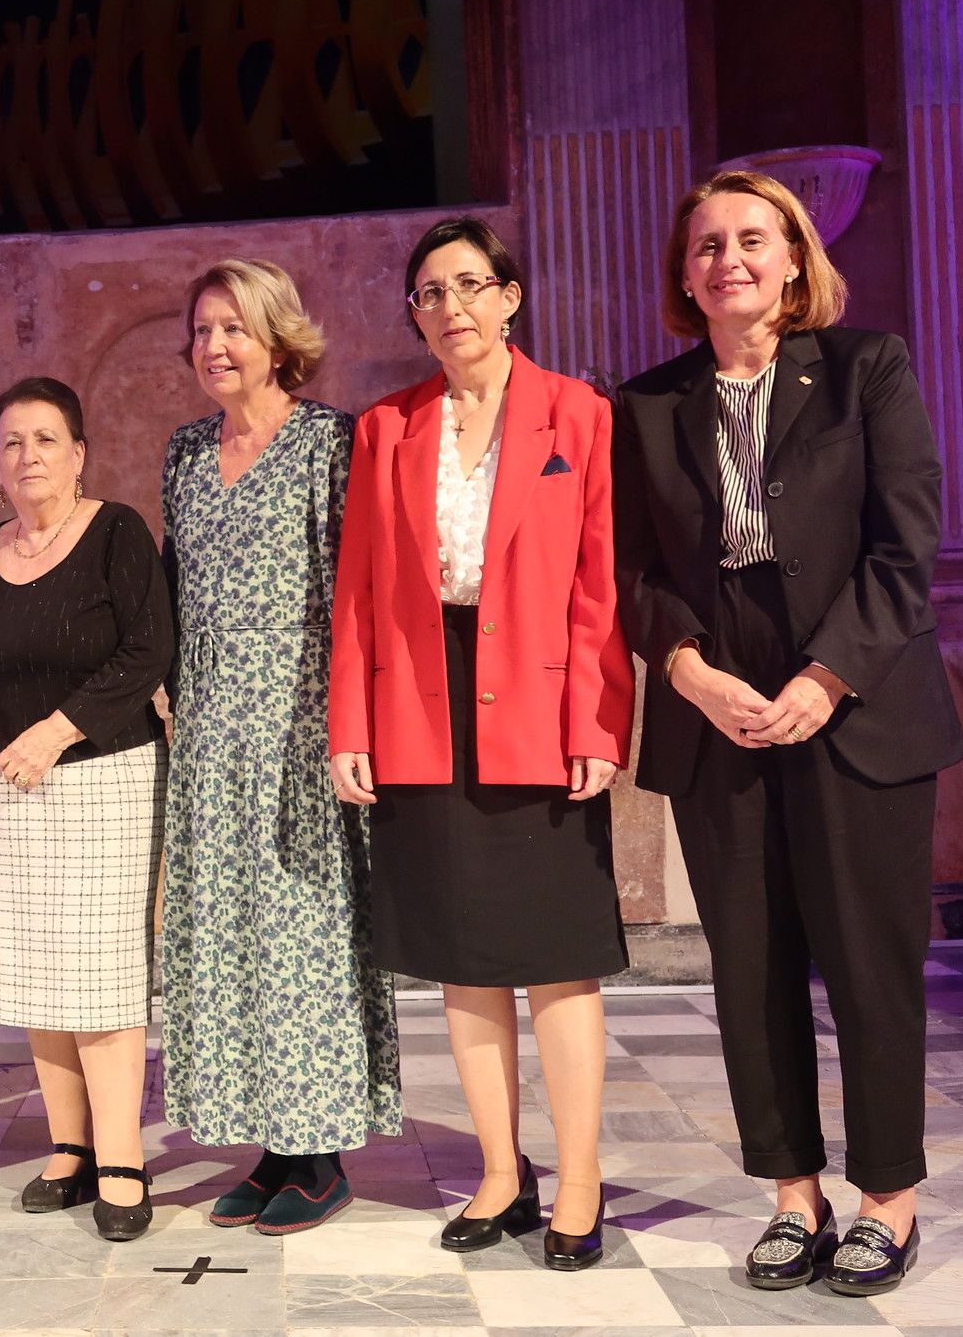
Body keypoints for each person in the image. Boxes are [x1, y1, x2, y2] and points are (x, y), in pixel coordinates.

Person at [613, 169, 963, 1296]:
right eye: (705, 244)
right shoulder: (647, 401)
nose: (728, 259)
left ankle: (886, 1202)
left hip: (852, 695)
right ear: (683, 272)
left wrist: (825, 678)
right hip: (715, 698)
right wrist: (685, 670)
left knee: (868, 965)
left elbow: (903, 550)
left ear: (793, 258)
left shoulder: (867, 368)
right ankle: (788, 1197)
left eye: (750, 238)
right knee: (750, 969)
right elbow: (632, 571)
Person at [328, 217, 635, 1270]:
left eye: (467, 285)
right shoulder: (384, 428)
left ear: (509, 296)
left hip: (539, 712)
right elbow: (357, 594)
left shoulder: (576, 413)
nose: (448, 307)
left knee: (554, 958)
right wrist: (349, 727)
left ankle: (580, 1181)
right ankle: (502, 1174)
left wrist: (597, 718)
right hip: (419, 702)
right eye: (426, 293)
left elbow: (599, 581)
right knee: (461, 959)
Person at [159, 258, 402, 1236]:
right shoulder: (181, 452)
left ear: (275, 339)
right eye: (201, 331)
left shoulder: (326, 444)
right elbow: (176, 582)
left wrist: (354, 725)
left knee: (306, 934)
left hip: (302, 725)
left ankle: (320, 1152)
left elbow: (362, 594)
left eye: (234, 328)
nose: (215, 347)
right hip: (212, 731)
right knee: (232, 938)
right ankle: (269, 1141)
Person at [0, 376, 173, 1242]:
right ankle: (68, 1146)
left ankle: (121, 1155)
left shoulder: (116, 531)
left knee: (101, 973)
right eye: (11, 442)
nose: (27, 455)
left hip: (101, 778)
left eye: (46, 439)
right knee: (41, 971)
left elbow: (150, 650)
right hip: (5, 790)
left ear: (79, 454)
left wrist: (58, 730)